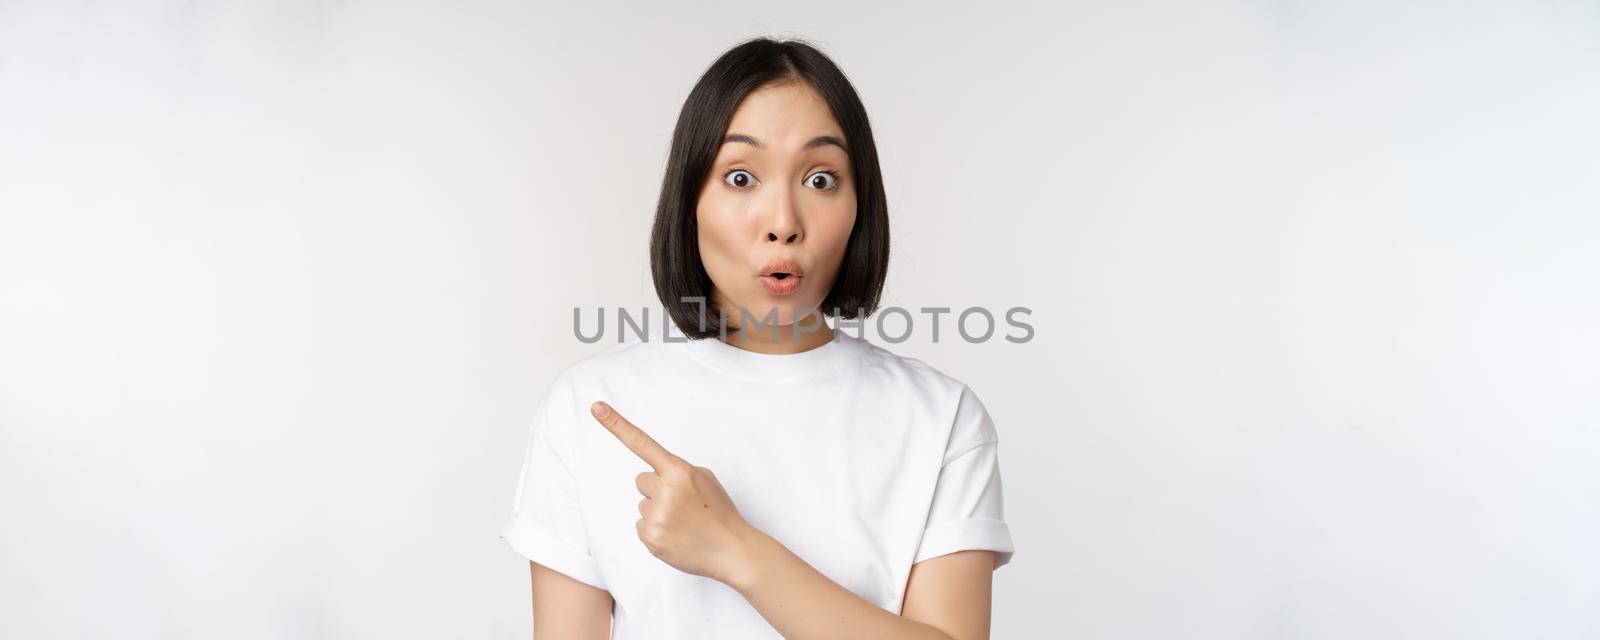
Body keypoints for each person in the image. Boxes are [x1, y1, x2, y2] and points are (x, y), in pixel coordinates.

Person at [500, 36, 1015, 639]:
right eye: (741, 177)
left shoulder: (941, 419)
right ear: (690, 198)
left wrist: (735, 551)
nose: (783, 223)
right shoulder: (592, 406)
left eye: (821, 180)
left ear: (860, 207)